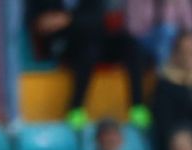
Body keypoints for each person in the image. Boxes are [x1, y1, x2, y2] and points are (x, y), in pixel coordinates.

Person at [27, 0, 150, 130]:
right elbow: (38, 23)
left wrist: (67, 20)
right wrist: (75, 20)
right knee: (88, 50)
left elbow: (97, 20)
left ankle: (137, 106)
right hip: (66, 46)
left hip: (94, 41)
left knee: (129, 44)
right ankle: (76, 108)